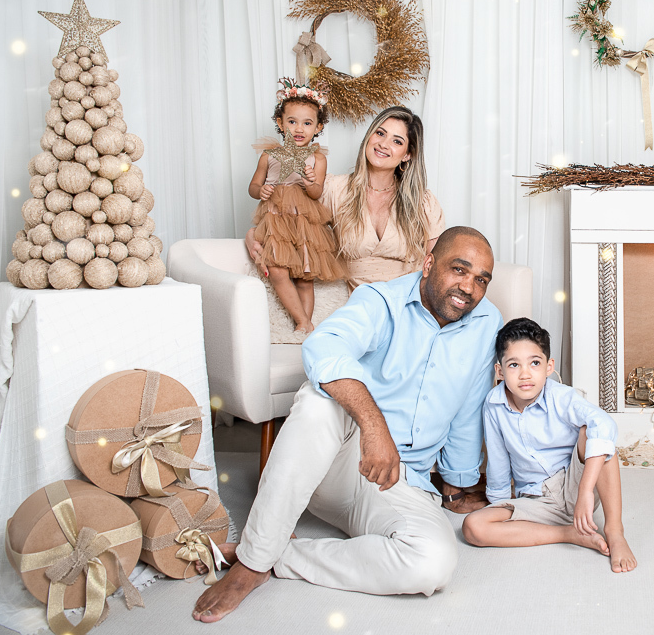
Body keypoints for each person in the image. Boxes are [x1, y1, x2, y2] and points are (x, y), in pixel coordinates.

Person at [193, 226, 499, 623]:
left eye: (481, 279)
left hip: (402, 483)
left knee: (433, 564)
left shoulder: (485, 322)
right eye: (459, 269)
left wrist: (458, 483)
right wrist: (374, 426)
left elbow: (469, 406)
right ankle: (252, 563)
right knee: (318, 402)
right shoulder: (380, 300)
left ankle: (276, 555)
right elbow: (323, 347)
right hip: (337, 465)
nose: (469, 287)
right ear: (428, 264)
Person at [461, 318, 638, 573]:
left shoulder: (561, 396)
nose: (525, 374)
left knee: (592, 433)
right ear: (500, 371)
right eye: (514, 365)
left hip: (576, 488)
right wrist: (500, 505)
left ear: (548, 367)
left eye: (534, 363)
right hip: (535, 501)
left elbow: (604, 424)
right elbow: (498, 460)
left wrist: (585, 491)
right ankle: (568, 534)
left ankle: (615, 531)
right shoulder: (493, 405)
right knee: (473, 527)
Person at [247, 105, 444, 294]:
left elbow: (440, 265)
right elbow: (289, 219)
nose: (383, 144)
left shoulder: (423, 201)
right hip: (362, 304)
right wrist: (252, 234)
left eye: (397, 141)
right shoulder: (335, 190)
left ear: (407, 155)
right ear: (369, 137)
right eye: (380, 133)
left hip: (410, 298)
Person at [247, 78, 344, 333]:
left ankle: (304, 326)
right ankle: (303, 321)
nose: (299, 128)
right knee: (277, 271)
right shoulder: (269, 155)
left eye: (307, 123)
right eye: (292, 121)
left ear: (318, 127)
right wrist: (261, 190)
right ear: (281, 123)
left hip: (304, 223)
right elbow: (253, 187)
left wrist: (310, 181)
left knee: (304, 276)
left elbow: (316, 193)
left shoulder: (317, 158)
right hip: (276, 221)